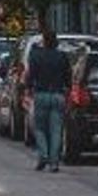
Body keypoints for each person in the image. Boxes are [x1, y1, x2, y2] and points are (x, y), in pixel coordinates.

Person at [25, 28, 71, 172]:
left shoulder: (36, 55)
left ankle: (43, 155)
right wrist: (67, 89)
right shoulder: (62, 56)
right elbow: (68, 77)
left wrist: (28, 89)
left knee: (39, 128)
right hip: (58, 95)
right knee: (56, 130)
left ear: (44, 41)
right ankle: (54, 162)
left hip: (41, 94)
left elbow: (30, 76)